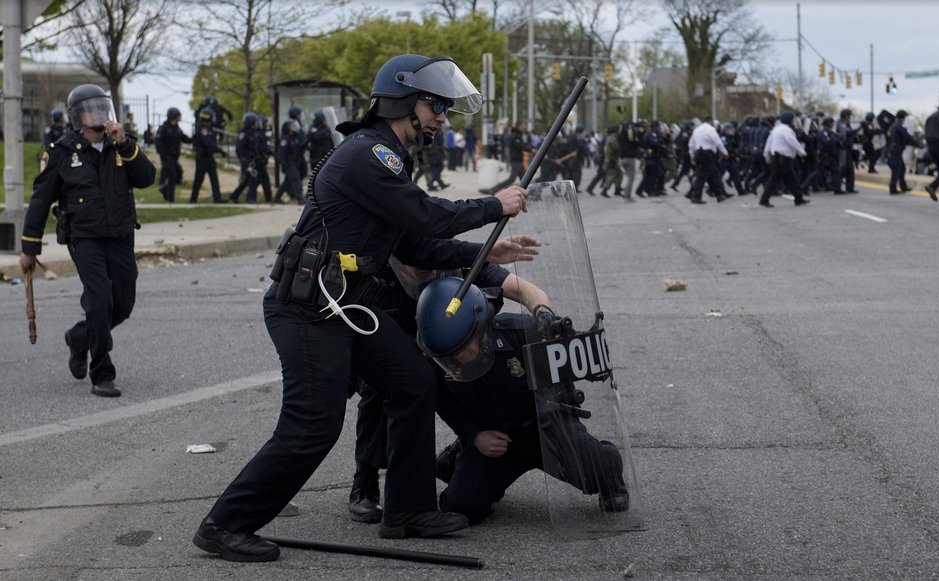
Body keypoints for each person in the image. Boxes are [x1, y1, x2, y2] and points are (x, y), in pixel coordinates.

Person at [192, 53, 529, 563]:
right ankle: (225, 524)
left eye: (444, 106)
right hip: (308, 309)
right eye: (435, 104)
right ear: (401, 101)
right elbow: (423, 213)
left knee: (412, 381)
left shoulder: (387, 156)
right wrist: (491, 206)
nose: (442, 116)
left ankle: (408, 511)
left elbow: (415, 245)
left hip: (346, 305)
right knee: (312, 425)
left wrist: (486, 253)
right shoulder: (369, 153)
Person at [347, 250, 545, 524]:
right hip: (391, 351)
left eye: (429, 254)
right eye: (414, 254)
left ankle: (462, 451)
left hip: (449, 357)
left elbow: (519, 287)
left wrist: (545, 315)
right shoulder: (376, 269)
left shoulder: (454, 256)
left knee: (489, 356)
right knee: (380, 384)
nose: (423, 264)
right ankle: (364, 483)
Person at [415, 279, 630, 525]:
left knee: (601, 469)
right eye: (449, 356)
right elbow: (444, 403)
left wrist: (574, 347)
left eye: (463, 348)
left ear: (481, 328)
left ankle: (613, 482)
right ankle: (462, 455)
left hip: (548, 429)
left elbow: (573, 365)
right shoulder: (438, 353)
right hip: (496, 440)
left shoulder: (523, 334)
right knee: (460, 507)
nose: (457, 359)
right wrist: (475, 436)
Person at [19, 84, 156, 397]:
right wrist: (29, 248)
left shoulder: (120, 145)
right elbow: (40, 202)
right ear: (77, 116)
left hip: (120, 235)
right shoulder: (60, 152)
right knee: (99, 301)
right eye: (90, 109)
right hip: (84, 238)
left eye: (101, 107)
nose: (98, 113)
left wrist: (124, 144)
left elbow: (147, 178)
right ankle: (102, 373)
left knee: (122, 304)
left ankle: (80, 338)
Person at [759, 111, 807, 208]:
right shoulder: (786, 130)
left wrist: (766, 155)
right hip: (783, 159)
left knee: (791, 179)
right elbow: (792, 141)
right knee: (774, 180)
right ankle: (764, 199)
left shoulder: (775, 130)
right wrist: (801, 151)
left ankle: (799, 198)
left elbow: (769, 143)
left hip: (777, 157)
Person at [686, 116, 729, 204]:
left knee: (713, 175)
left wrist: (692, 156)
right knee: (702, 176)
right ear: (710, 121)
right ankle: (695, 196)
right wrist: (725, 152)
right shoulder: (710, 129)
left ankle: (719, 195)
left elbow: (691, 144)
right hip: (707, 154)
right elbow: (718, 142)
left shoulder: (697, 130)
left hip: (699, 153)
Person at [189, 107, 227, 204]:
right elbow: (208, 143)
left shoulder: (209, 129)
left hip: (209, 157)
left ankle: (217, 197)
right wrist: (220, 150)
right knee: (198, 179)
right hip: (202, 158)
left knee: (214, 178)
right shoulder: (202, 129)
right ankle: (193, 199)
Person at [155, 107, 192, 204]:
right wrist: (164, 154)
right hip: (167, 157)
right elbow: (158, 143)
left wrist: (195, 138)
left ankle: (164, 189)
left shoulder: (177, 128)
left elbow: (184, 138)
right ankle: (170, 199)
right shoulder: (164, 128)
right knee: (172, 176)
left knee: (178, 174)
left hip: (175, 157)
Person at [887, 110, 920, 195]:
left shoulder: (894, 125)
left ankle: (903, 186)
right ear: (903, 117)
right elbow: (907, 137)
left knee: (902, 169)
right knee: (896, 170)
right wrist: (917, 144)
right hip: (896, 150)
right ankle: (893, 188)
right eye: (905, 117)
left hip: (895, 150)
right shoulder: (899, 126)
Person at [274, 119, 306, 204]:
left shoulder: (295, 138)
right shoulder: (285, 139)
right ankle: (300, 198)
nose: (294, 128)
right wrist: (283, 163)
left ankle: (277, 197)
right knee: (296, 180)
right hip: (289, 163)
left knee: (287, 182)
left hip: (296, 163)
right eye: (292, 126)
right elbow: (281, 153)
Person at [836, 109, 860, 194]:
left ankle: (850, 187)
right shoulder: (840, 123)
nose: (849, 117)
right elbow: (847, 133)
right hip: (842, 150)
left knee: (850, 169)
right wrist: (859, 129)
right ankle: (837, 187)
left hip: (848, 149)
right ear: (845, 116)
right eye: (849, 116)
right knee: (842, 169)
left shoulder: (846, 123)